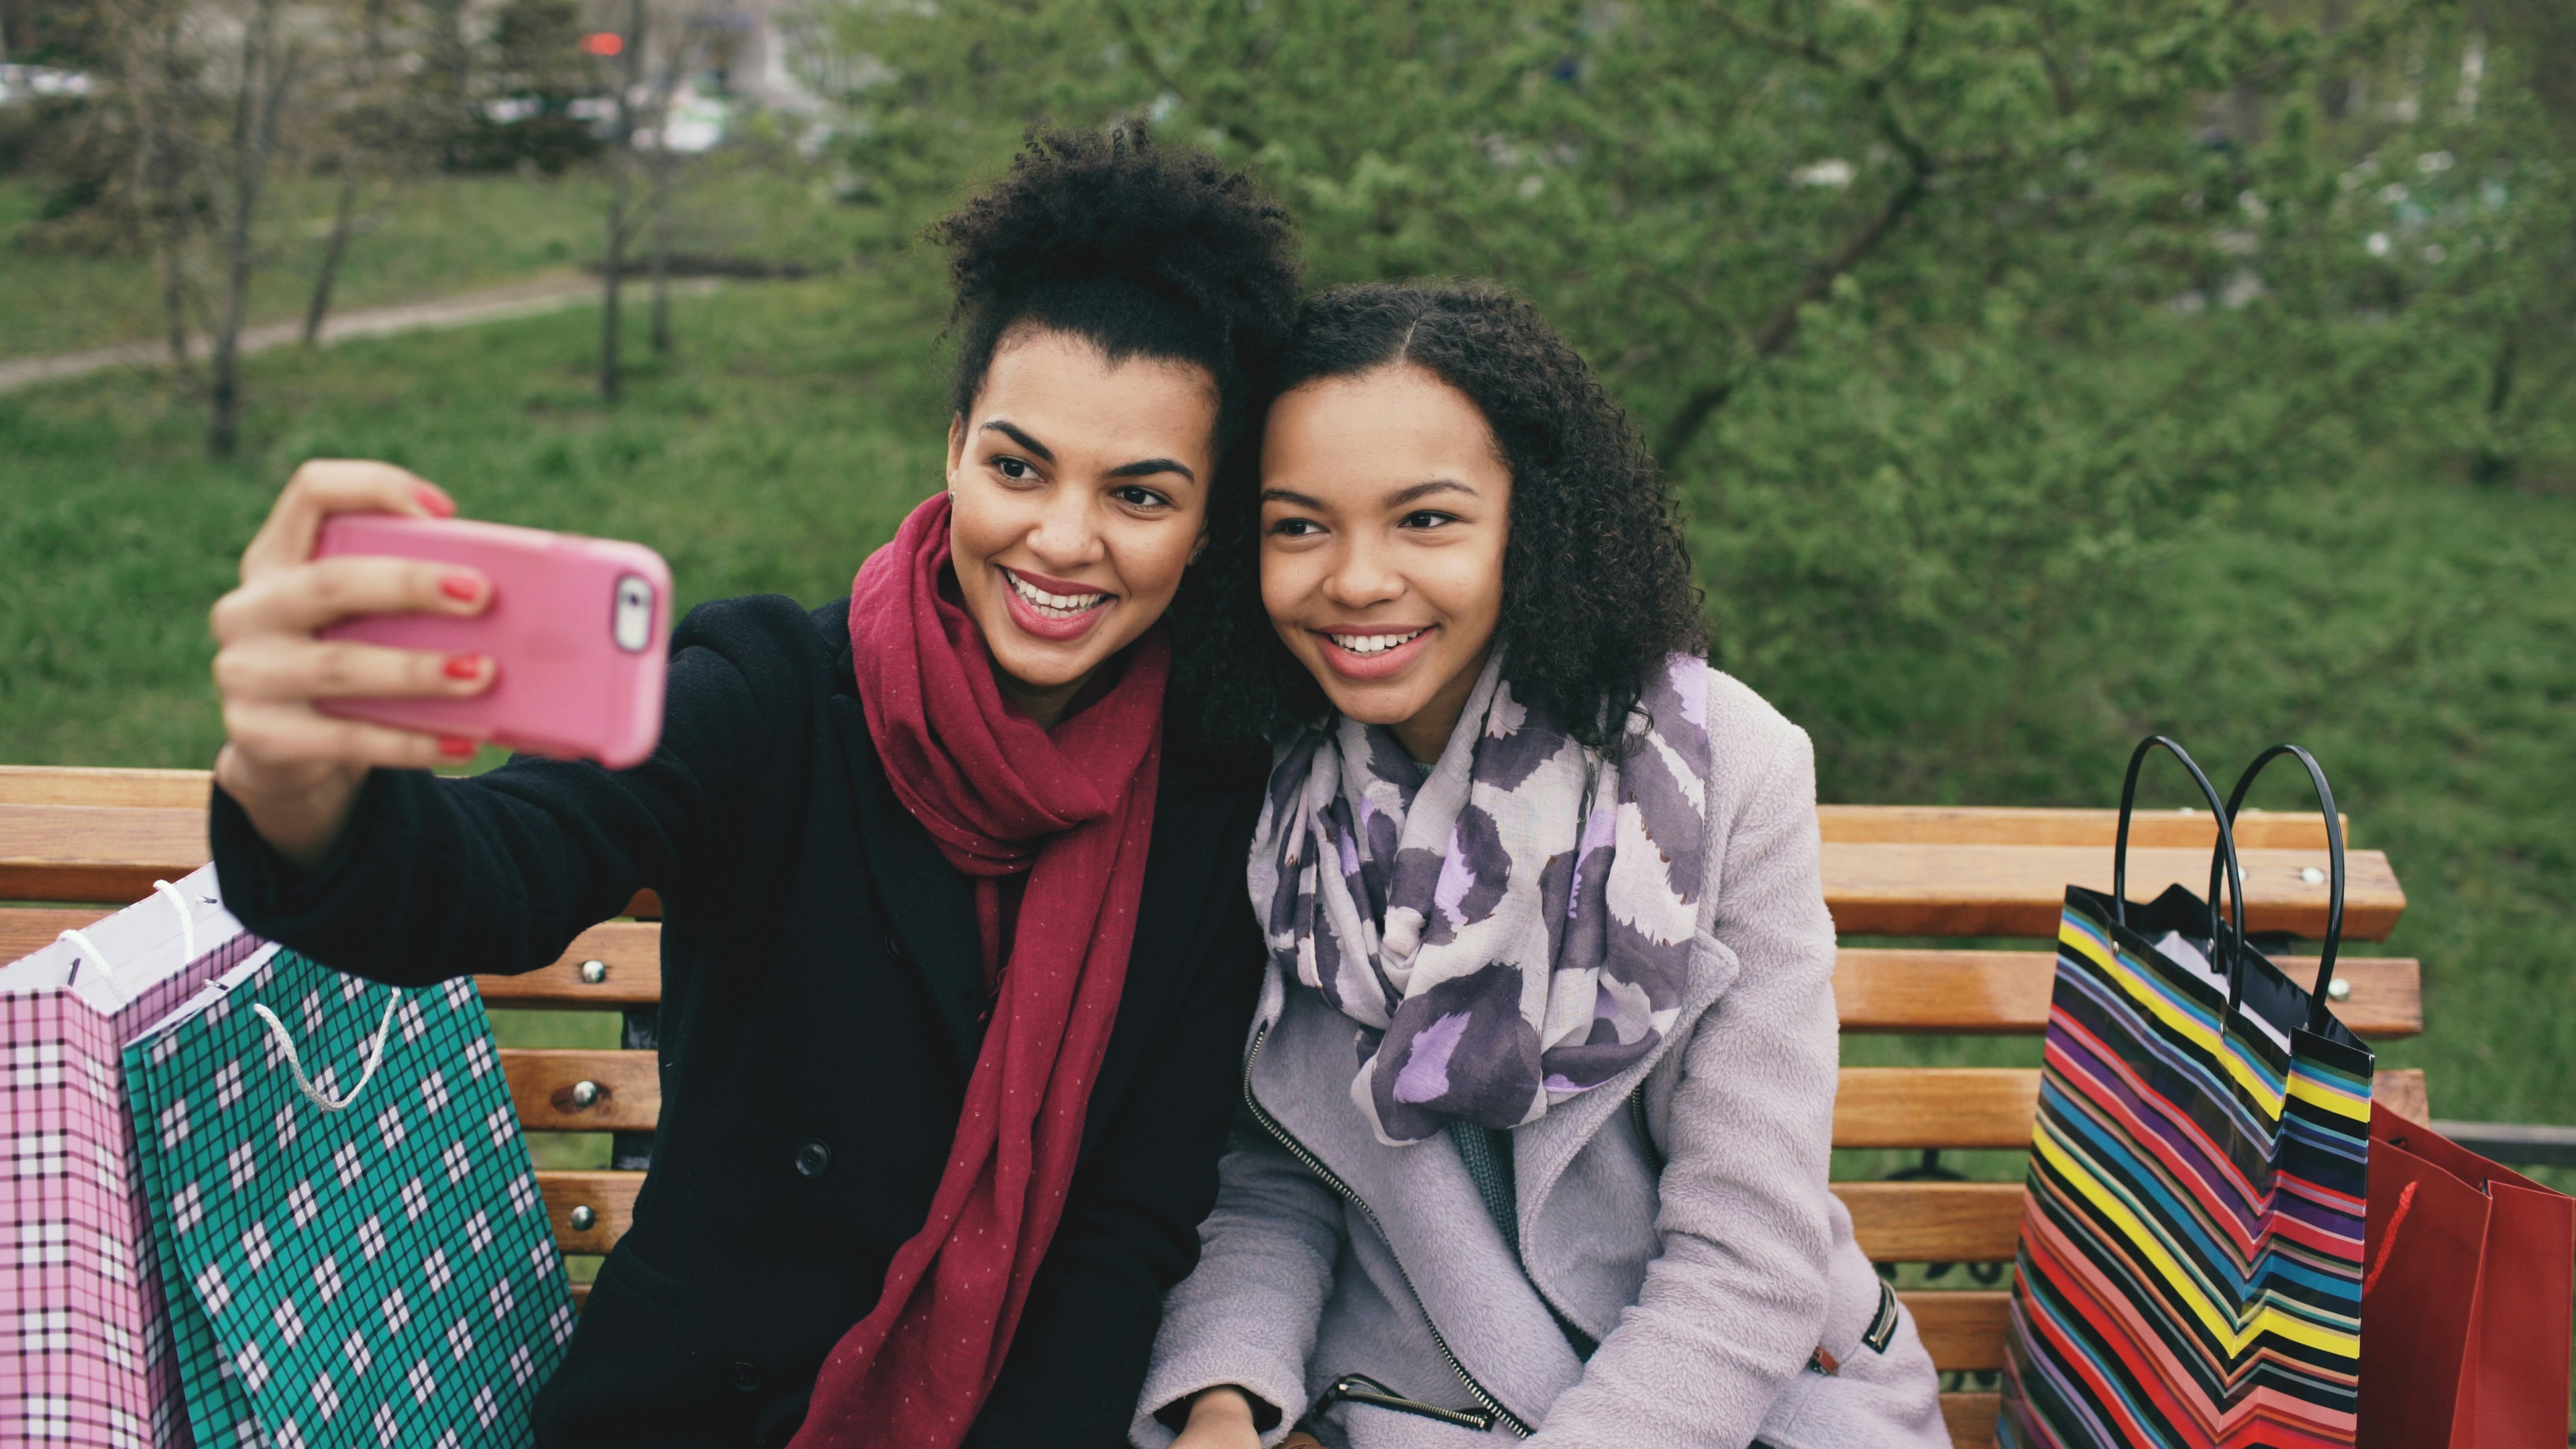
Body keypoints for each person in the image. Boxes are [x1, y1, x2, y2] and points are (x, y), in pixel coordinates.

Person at [202, 129, 1299, 1449]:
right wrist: (295, 778)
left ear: (1205, 522)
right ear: (953, 449)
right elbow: (495, 873)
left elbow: (1130, 1223)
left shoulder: (1211, 795)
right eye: (1019, 467)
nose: (1064, 539)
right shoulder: (770, 693)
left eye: (1139, 494)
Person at [1131, 284, 1951, 1448]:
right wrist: (1224, 1399)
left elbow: (1748, 1253)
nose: (1356, 580)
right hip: (1422, 1403)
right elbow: (1277, 1179)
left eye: (1426, 520)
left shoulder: (1727, 777)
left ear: (1536, 520)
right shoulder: (1270, 804)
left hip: (1744, 1402)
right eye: (1299, 525)